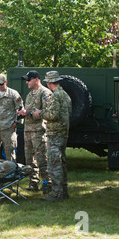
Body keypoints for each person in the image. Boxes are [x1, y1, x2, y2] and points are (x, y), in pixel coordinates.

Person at [35, 71, 72, 202]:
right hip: (62, 133)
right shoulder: (66, 95)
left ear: (49, 83)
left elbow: (53, 115)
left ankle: (56, 194)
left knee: (54, 164)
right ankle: (64, 191)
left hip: (55, 134)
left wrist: (40, 113)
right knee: (61, 164)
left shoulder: (56, 96)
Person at [18, 70, 52, 192]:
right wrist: (22, 113)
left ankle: (47, 183)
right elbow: (28, 110)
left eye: (29, 79)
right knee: (29, 160)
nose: (27, 82)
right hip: (28, 130)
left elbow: (48, 112)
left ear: (36, 79)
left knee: (42, 158)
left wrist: (29, 112)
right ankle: (33, 183)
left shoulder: (45, 93)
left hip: (39, 131)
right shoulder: (30, 94)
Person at [0, 73, 23, 162]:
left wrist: (17, 122)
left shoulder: (13, 94)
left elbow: (21, 108)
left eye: (1, 84)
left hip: (9, 127)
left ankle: (11, 172)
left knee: (10, 151)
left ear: (6, 82)